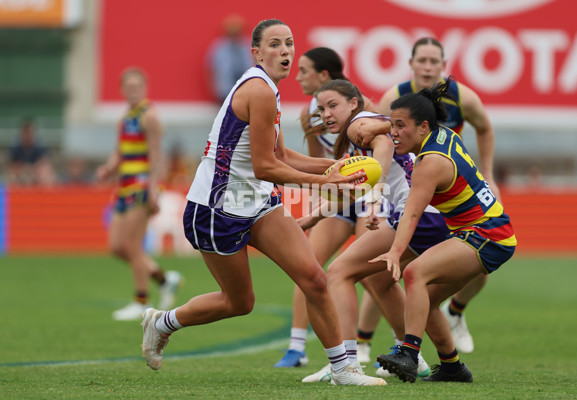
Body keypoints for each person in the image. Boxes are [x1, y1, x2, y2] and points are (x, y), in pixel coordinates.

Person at [140, 19, 385, 386]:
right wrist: (324, 179)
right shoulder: (260, 90)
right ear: (256, 52)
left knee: (315, 279)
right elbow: (266, 166)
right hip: (216, 209)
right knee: (238, 303)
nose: (285, 51)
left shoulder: (270, 89)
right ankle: (162, 322)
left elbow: (283, 154)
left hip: (255, 201)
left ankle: (343, 369)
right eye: (275, 44)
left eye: (289, 44)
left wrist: (336, 166)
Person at [301, 79, 445, 383]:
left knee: (339, 273)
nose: (325, 114)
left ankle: (347, 364)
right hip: (427, 215)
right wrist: (312, 219)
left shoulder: (357, 125)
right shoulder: (361, 130)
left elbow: (383, 147)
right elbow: (353, 189)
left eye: (332, 105)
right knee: (379, 281)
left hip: (415, 215)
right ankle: (412, 356)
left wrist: (375, 192)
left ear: (354, 103)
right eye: (321, 108)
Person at [373, 78, 516, 382]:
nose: (393, 133)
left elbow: (411, 214)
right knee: (427, 299)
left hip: (486, 234)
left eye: (400, 125)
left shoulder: (430, 162)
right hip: (486, 231)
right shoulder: (443, 134)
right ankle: (453, 367)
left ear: (423, 127)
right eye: (391, 125)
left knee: (415, 274)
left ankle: (409, 354)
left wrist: (395, 253)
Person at [365, 37, 500, 354]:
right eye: (421, 61)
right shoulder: (394, 98)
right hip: (411, 193)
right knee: (381, 275)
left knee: (412, 273)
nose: (427, 67)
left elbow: (485, 128)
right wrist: (377, 188)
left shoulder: (462, 101)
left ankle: (448, 319)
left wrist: (489, 176)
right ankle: (369, 344)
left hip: (446, 193)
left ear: (443, 65)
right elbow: (378, 140)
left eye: (433, 61)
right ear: (410, 64)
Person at [274, 47, 379, 368]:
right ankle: (296, 349)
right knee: (308, 265)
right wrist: (319, 201)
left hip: (368, 196)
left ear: (323, 75)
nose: (297, 75)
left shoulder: (362, 109)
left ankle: (383, 348)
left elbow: (383, 153)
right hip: (337, 197)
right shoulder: (310, 114)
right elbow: (314, 165)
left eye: (304, 70)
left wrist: (372, 195)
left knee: (371, 275)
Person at [96, 67, 182, 321]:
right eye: (128, 87)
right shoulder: (124, 118)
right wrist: (108, 168)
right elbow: (119, 151)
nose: (133, 91)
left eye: (137, 87)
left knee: (133, 246)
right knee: (116, 247)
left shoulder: (150, 116)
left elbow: (157, 155)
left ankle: (141, 300)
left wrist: (154, 190)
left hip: (142, 188)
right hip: (124, 187)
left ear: (144, 89)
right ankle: (164, 279)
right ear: (122, 90)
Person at [205, 14, 255, 103]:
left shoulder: (248, 46)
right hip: (225, 91)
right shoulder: (219, 47)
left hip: (246, 90)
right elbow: (211, 68)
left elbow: (253, 65)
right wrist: (215, 88)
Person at [8, 118, 57, 186]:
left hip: (36, 173)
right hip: (21, 174)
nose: (28, 136)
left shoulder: (40, 146)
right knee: (13, 175)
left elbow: (44, 163)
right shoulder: (16, 147)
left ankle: (45, 195)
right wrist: (24, 170)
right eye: (26, 133)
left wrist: (32, 170)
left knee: (47, 173)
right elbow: (13, 166)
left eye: (30, 133)